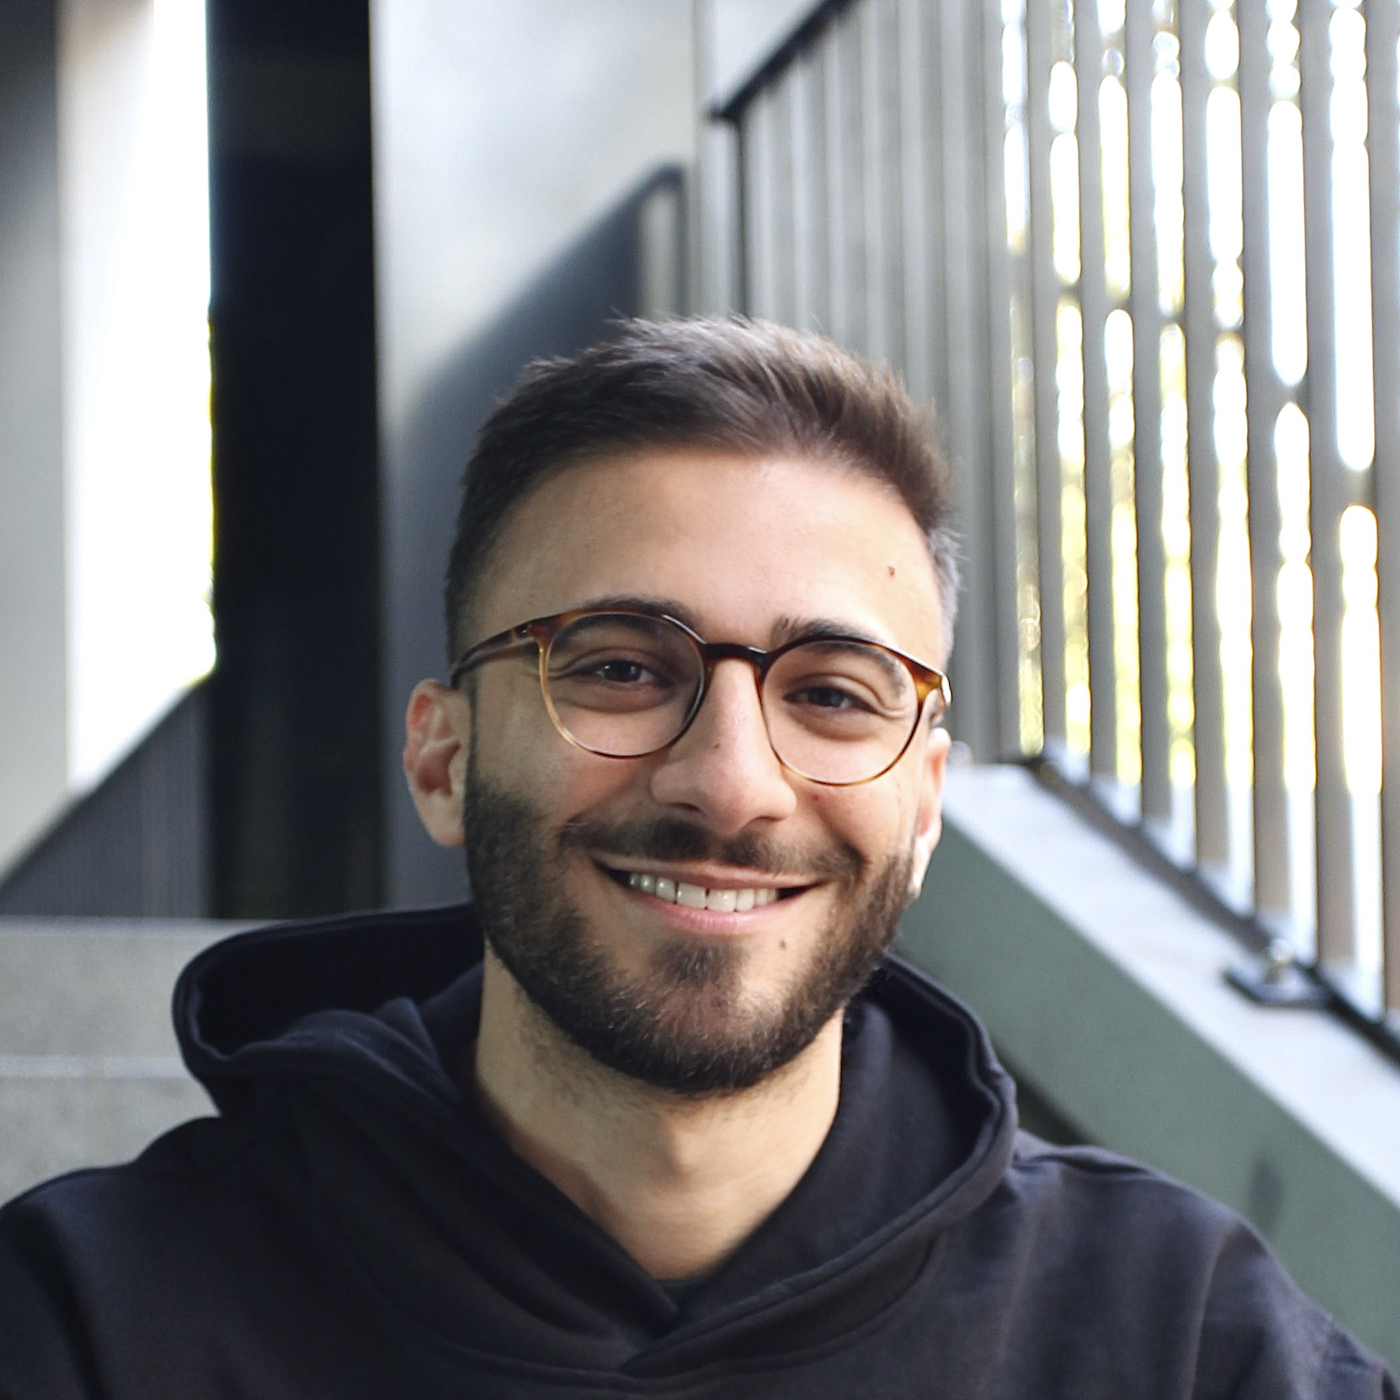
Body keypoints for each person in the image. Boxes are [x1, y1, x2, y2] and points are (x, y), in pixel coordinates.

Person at [0, 318, 1393, 1398]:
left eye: (833, 693)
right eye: (618, 666)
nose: (731, 781)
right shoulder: (92, 1323)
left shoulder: (1178, 1336)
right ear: (444, 760)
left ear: (923, 805)